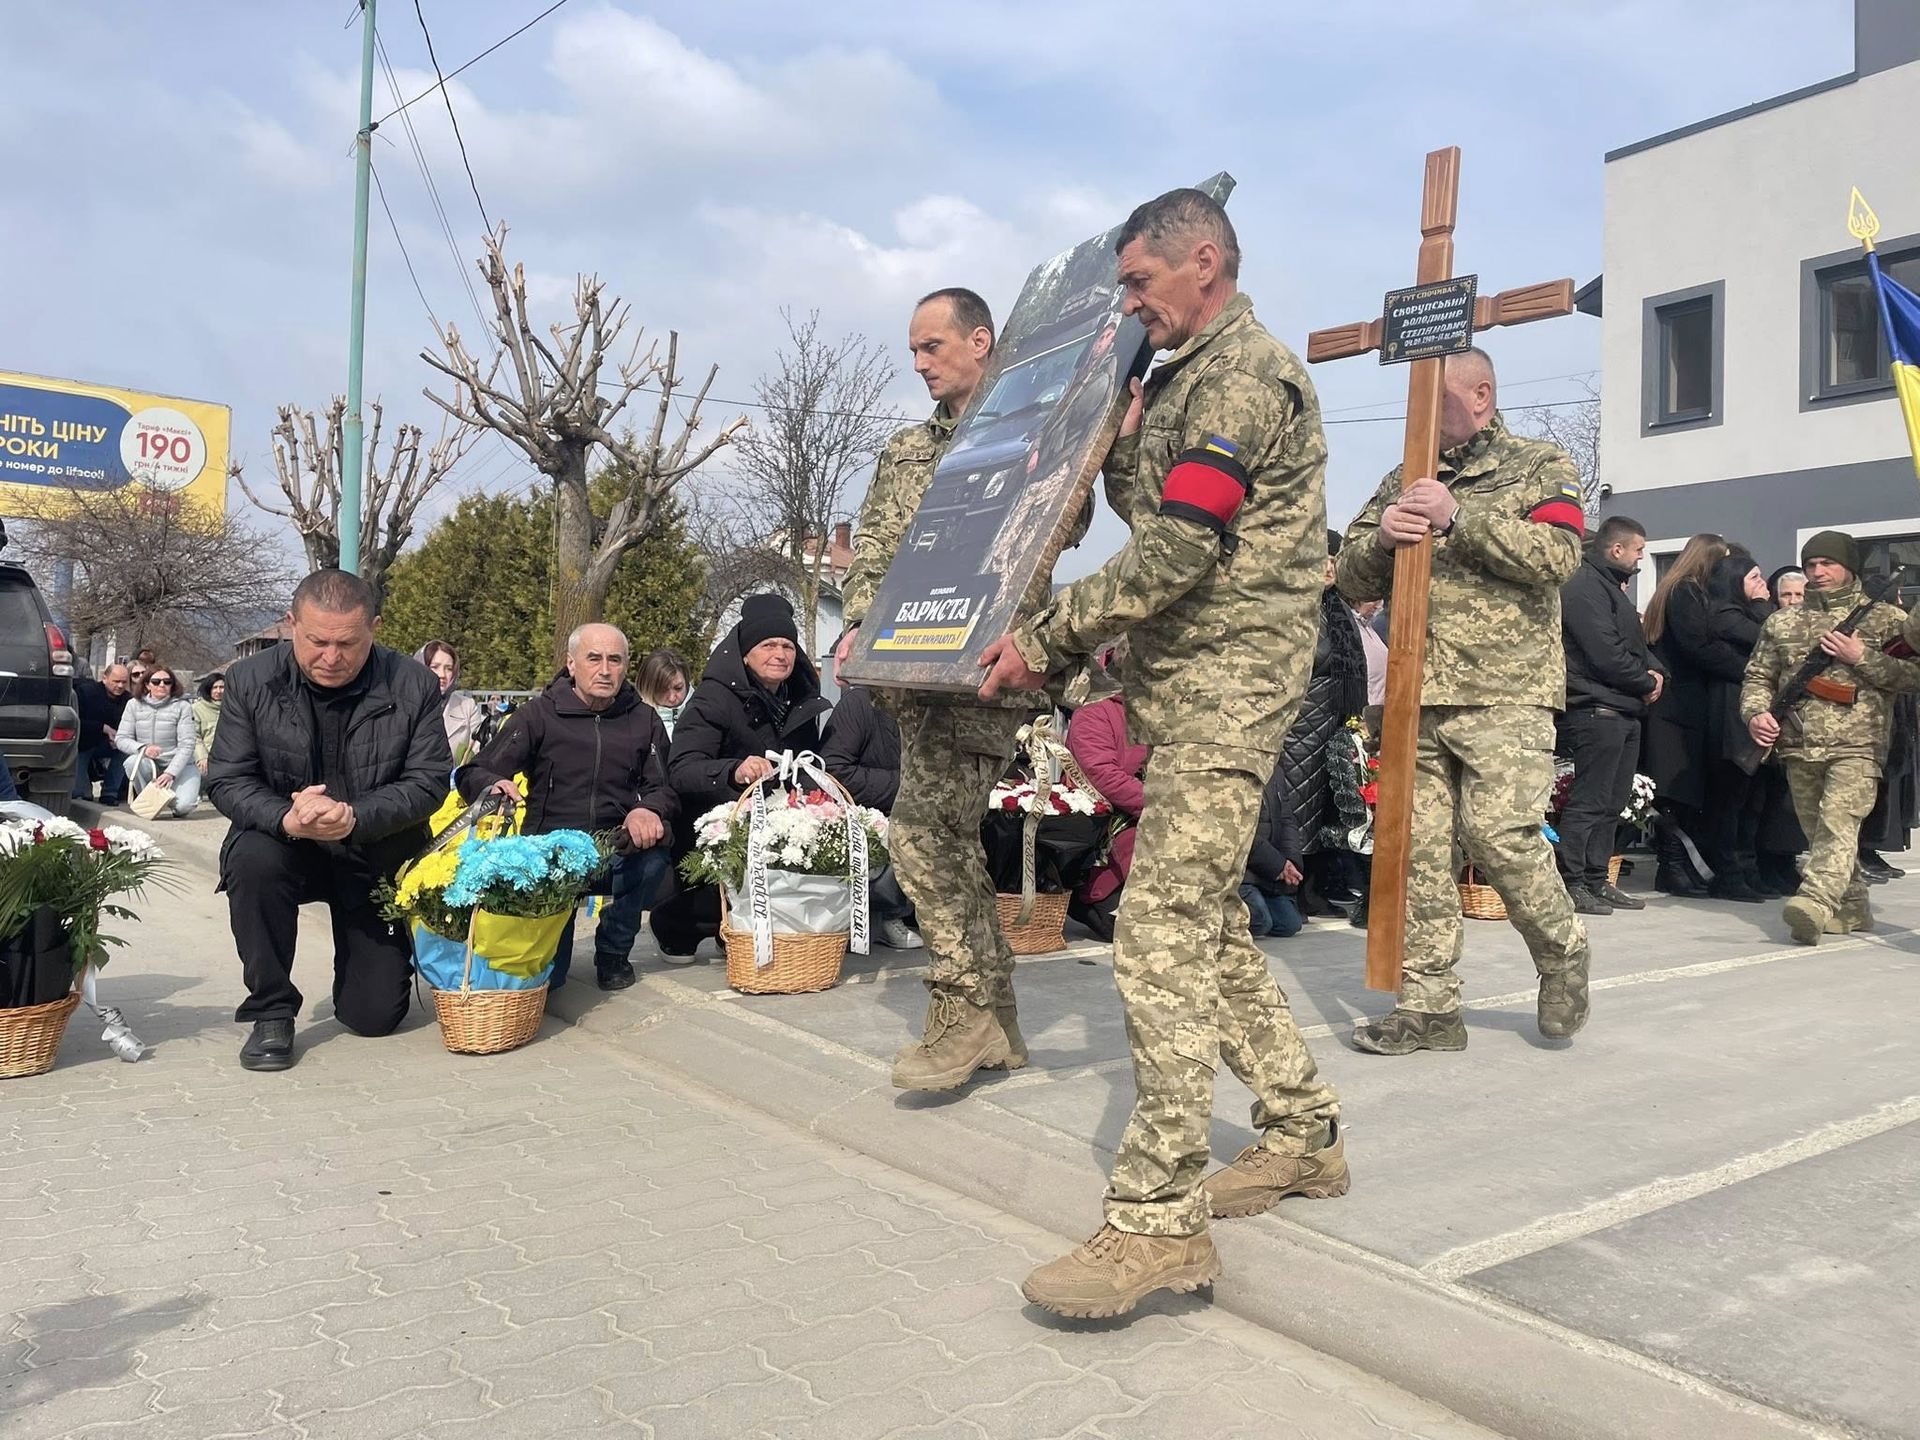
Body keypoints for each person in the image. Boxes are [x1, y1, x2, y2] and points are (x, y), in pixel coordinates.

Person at [977, 188, 1345, 1317]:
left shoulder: (1244, 375)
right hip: (1185, 687)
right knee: (1210, 930)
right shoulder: (1187, 378)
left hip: (1233, 686)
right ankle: (1305, 1131)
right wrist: (1120, 439)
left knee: (1159, 933)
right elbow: (1168, 516)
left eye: (1140, 283)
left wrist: (1044, 637)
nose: (1131, 304)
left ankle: (1157, 1225)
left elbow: (1181, 554)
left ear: (1203, 263)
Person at [835, 285, 1086, 1095]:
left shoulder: (1034, 432)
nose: (919, 364)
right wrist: (860, 630)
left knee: (920, 836)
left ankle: (962, 1008)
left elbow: (1063, 524)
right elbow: (873, 549)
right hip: (914, 674)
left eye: (931, 347)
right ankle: (997, 1020)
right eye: (912, 350)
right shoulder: (907, 451)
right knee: (946, 842)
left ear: (981, 342)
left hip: (986, 671)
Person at [1336, 346, 1590, 1056]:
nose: (1421, 417)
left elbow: (1559, 556)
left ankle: (1563, 950)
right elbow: (1351, 567)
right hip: (1416, 692)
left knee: (1501, 838)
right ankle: (1430, 1007)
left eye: (1436, 400)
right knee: (1416, 851)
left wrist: (1460, 519)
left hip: (1502, 690)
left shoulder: (1538, 464)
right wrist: (1383, 539)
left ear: (1480, 396)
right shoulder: (1404, 475)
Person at [209, 570, 450, 1071]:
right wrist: (286, 818)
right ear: (292, 624)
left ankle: (360, 978)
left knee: (373, 1016)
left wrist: (355, 817)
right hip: (284, 841)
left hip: (373, 845)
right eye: (317, 641)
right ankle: (271, 1009)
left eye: (348, 643)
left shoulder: (414, 683)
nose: (331, 657)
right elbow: (228, 780)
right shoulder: (249, 680)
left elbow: (428, 782)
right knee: (251, 859)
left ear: (375, 628)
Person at [458, 623, 676, 991]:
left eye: (614, 660)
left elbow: (665, 787)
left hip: (614, 847)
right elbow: (474, 772)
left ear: (626, 666)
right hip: (550, 853)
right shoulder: (536, 715)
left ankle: (613, 949)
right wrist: (492, 784)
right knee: (552, 983)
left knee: (655, 856)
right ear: (571, 664)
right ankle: (553, 945)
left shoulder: (644, 720)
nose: (604, 669)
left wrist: (649, 809)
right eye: (594, 658)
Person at [1742, 531, 1920, 943]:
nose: (1818, 573)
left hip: (1860, 744)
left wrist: (1863, 658)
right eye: (1810, 565)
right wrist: (1756, 715)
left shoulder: (1886, 620)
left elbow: (1913, 677)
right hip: (1798, 742)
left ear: (1849, 567)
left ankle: (1816, 900)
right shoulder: (1782, 621)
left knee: (1839, 823)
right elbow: (1758, 677)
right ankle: (1853, 906)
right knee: (1819, 830)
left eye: (1828, 564)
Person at [653, 594, 831, 956]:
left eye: (787, 645)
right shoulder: (712, 700)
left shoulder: (798, 700)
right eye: (768, 645)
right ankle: (680, 919)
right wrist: (733, 770)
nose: (780, 654)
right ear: (746, 652)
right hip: (717, 824)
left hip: (781, 822)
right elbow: (682, 769)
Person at [1556, 516, 1661, 914]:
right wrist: (1645, 681)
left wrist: (1656, 672)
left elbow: (1633, 642)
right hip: (1596, 709)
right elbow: (1604, 651)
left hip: (1622, 709)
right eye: (1638, 551)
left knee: (1612, 802)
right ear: (1616, 550)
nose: (1639, 559)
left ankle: (1598, 879)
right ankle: (1573, 881)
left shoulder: (1611, 588)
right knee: (1590, 800)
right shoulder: (1583, 586)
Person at [1281, 531, 1369, 915]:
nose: (1329, 567)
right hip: (1300, 728)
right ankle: (1294, 889)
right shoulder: (1295, 611)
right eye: (1320, 559)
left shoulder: (1336, 610)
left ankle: (1314, 887)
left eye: (1333, 559)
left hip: (1331, 724)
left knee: (1326, 809)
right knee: (1299, 811)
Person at [1641, 533, 1732, 896]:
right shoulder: (1686, 592)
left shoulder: (1674, 589)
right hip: (1678, 706)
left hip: (1678, 704)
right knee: (1674, 792)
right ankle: (1672, 867)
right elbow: (1698, 646)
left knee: (1679, 791)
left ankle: (1682, 866)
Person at [820, 676, 920, 950]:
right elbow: (834, 771)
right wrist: (905, 784)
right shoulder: (860, 702)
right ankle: (887, 915)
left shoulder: (925, 700)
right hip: (868, 809)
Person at [1064, 687, 1148, 942]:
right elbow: (1102, 775)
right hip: (1110, 833)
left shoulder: (1166, 709)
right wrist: (1163, 804)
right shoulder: (1094, 710)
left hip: (1154, 822)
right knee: (1134, 934)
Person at [117, 666, 201, 817]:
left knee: (184, 807)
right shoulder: (133, 705)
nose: (162, 685)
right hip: (150, 762)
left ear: (172, 685)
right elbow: (121, 739)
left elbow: (187, 744)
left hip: (179, 764)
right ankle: (149, 799)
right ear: (147, 685)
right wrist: (143, 748)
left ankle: (174, 798)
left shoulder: (183, 706)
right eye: (156, 682)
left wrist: (171, 773)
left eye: (167, 682)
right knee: (131, 762)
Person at [1242, 763, 1304, 939]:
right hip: (1242, 870)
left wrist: (1290, 860)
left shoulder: (1274, 770)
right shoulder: (1237, 769)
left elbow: (1287, 820)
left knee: (1290, 924)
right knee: (1261, 921)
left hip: (1268, 871)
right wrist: (1277, 865)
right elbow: (1243, 831)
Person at [414, 641, 483, 765]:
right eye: (434, 667)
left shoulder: (467, 706)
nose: (442, 675)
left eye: (449, 669)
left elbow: (477, 753)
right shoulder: (406, 704)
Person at [72, 662, 132, 804]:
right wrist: (102, 728)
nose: (120, 686)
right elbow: (75, 721)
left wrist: (120, 737)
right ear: (104, 678)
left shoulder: (128, 700)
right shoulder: (86, 692)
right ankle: (82, 789)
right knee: (79, 794)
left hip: (111, 743)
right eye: (116, 681)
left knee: (125, 751)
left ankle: (110, 792)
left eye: (124, 682)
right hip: (84, 742)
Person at [636, 648, 691, 740]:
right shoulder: (636, 723)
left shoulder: (704, 713)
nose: (672, 698)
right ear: (648, 688)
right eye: (663, 690)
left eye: (678, 688)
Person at [192, 672, 225, 775]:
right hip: (207, 757)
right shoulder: (197, 708)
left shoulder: (233, 707)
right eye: (214, 687)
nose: (218, 691)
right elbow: (195, 736)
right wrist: (202, 756)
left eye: (222, 687)